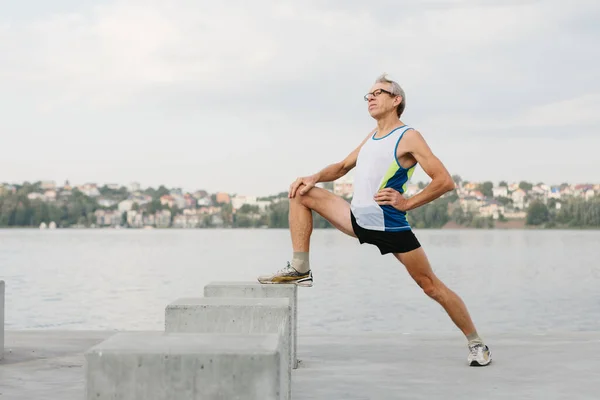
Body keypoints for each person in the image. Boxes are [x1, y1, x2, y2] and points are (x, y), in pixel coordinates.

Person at [257, 73, 492, 367]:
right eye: (367, 94)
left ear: (396, 100)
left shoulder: (408, 136)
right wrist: (314, 176)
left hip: (391, 226)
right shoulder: (372, 137)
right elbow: (342, 166)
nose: (370, 98)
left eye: (377, 92)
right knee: (301, 192)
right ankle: (300, 267)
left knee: (431, 286)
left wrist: (407, 203)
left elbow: (444, 181)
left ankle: (476, 343)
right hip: (357, 220)